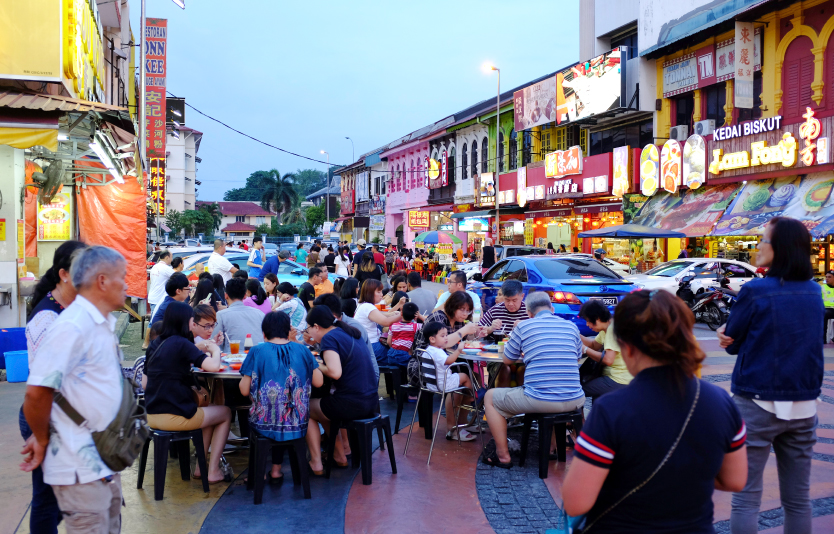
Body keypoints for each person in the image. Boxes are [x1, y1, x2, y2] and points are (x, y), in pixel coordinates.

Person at [563, 289, 748, 531]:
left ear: (628, 347)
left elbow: (575, 503)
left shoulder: (610, 410)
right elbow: (735, 480)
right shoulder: (721, 401)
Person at [717, 217, 823, 534]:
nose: (758, 246)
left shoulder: (755, 290)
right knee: (798, 500)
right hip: (804, 403)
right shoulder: (814, 291)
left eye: (763, 240)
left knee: (746, 499)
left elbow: (734, 341)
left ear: (780, 248)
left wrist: (725, 334)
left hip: (756, 401)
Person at [21, 246, 129, 532]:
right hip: (79, 466)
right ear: (102, 281)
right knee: (47, 507)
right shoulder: (71, 326)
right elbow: (37, 393)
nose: (127, 285)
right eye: (122, 276)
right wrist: (41, 438)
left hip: (103, 459)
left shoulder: (98, 322)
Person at [21, 240, 87, 533]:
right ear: (64, 274)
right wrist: (42, 435)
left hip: (71, 416)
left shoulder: (76, 309)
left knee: (68, 495)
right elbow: (41, 387)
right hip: (50, 415)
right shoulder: (47, 318)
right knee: (48, 500)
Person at [481, 291, 587, 468]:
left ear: (529, 313)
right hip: (575, 399)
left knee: (490, 397)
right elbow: (576, 357)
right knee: (554, 388)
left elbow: (507, 359)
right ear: (552, 309)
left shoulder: (524, 327)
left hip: (540, 399)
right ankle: (551, 448)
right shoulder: (571, 327)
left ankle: (503, 455)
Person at [143, 302, 231, 484]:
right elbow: (214, 366)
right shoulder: (182, 343)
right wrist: (215, 350)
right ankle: (213, 471)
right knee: (225, 412)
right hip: (176, 415)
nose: (193, 323)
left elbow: (144, 383)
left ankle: (200, 468)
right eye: (192, 319)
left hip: (152, 415)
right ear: (185, 321)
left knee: (209, 410)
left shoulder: (155, 344)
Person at [239, 311, 323, 481]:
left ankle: (258, 472)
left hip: (263, 421)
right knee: (283, 415)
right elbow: (319, 382)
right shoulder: (303, 350)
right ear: (288, 331)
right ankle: (276, 470)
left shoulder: (256, 351)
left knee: (272, 414)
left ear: (264, 333)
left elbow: (244, 390)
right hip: (298, 422)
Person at [304, 306, 378, 474]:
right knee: (322, 407)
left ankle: (316, 463)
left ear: (316, 326)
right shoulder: (347, 331)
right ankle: (339, 455)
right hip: (370, 400)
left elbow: (335, 372)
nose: (308, 333)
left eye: (308, 329)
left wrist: (314, 363)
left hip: (352, 404)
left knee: (305, 408)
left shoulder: (330, 338)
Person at [420, 321, 477, 441]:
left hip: (431, 384)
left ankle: (468, 399)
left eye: (446, 335)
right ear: (432, 339)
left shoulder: (429, 350)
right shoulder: (438, 352)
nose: (446, 338)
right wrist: (458, 350)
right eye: (442, 336)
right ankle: (470, 396)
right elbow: (449, 360)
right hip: (444, 383)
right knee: (464, 376)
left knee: (462, 377)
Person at [478, 280, 529, 388]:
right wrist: (490, 328)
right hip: (497, 357)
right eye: (507, 300)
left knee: (523, 371)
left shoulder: (529, 312)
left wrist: (526, 327)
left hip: (523, 358)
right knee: (503, 370)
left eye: (514, 300)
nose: (510, 304)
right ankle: (500, 398)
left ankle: (523, 398)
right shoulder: (495, 310)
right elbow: (477, 332)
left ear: (522, 296)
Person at [314, 293, 378, 380]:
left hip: (366, 377)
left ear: (332, 316)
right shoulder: (334, 327)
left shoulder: (352, 327)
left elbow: (352, 359)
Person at [578, 299, 632, 400]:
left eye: (588, 321)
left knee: (577, 390)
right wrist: (576, 334)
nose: (587, 324)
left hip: (618, 379)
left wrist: (585, 350)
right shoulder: (607, 327)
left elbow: (608, 360)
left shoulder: (612, 330)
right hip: (616, 376)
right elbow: (594, 345)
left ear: (597, 318)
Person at [354, 279, 404, 366]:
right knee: (401, 356)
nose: (382, 294)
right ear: (370, 293)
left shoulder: (363, 305)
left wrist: (395, 311)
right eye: (379, 292)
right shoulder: (367, 307)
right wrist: (403, 314)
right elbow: (386, 322)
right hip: (372, 346)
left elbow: (382, 315)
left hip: (366, 344)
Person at [414, 291, 480, 352]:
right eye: (462, 309)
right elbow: (441, 344)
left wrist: (477, 334)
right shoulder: (438, 318)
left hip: (447, 356)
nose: (465, 314)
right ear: (452, 306)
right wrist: (464, 330)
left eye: (468, 310)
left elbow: (464, 340)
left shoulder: (458, 319)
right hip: (426, 357)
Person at [215, 278, 266, 353]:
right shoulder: (260, 314)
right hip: (258, 356)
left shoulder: (220, 315)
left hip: (232, 358)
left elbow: (215, 343)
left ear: (226, 295)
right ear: (245, 295)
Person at [387, 302, 420, 367]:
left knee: (394, 368)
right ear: (415, 316)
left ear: (401, 313)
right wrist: (420, 316)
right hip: (404, 354)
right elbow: (428, 324)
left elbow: (388, 342)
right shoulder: (416, 326)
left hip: (392, 353)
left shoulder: (393, 325)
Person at [148, 249, 174, 322]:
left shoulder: (155, 267)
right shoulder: (165, 268)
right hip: (159, 299)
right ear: (167, 257)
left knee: (154, 321)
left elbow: (151, 281)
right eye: (171, 257)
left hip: (153, 297)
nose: (172, 259)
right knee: (158, 322)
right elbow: (179, 277)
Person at [822, 270, 834, 342]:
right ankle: (823, 340)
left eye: (829, 277)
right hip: (827, 309)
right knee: (824, 314)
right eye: (826, 277)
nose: (827, 279)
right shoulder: (822, 288)